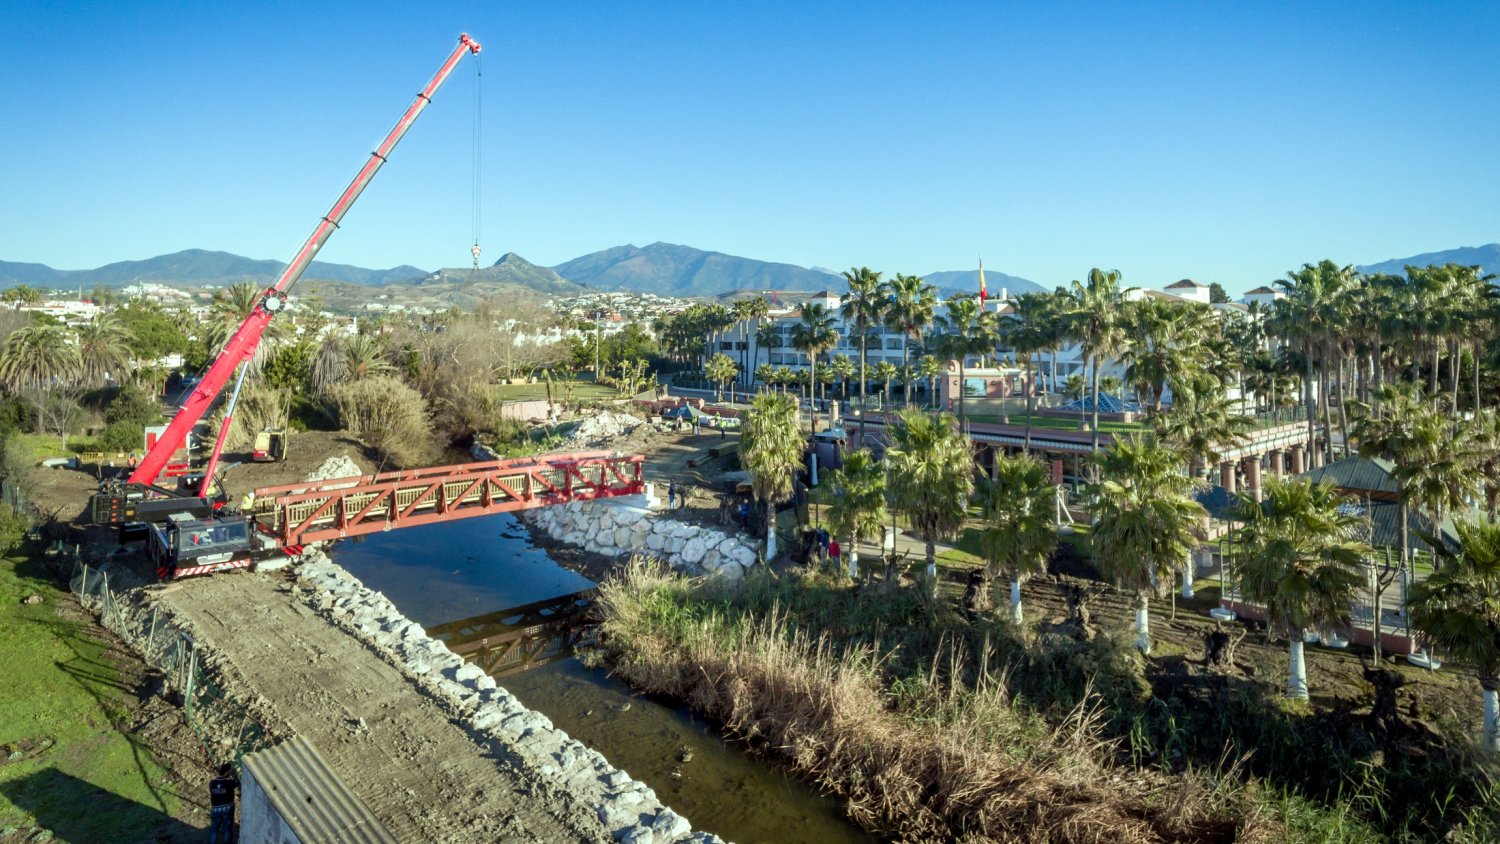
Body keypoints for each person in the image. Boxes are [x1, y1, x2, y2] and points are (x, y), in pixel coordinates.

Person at [209, 764, 238, 844]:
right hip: (227, 809)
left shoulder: (212, 783)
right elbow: (238, 782)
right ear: (227, 772)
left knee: (214, 829)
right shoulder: (229, 783)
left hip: (215, 809)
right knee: (227, 829)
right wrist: (234, 774)